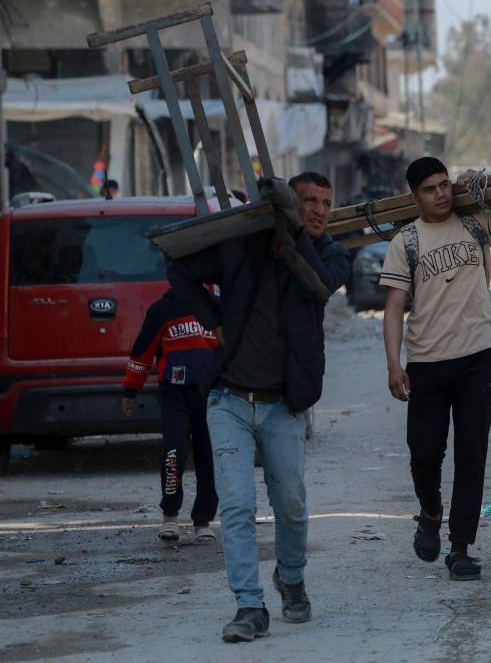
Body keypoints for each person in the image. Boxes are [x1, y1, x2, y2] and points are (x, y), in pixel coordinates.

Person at [167, 172, 350, 643]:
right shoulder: (243, 246)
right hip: (228, 400)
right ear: (289, 202)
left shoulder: (330, 253)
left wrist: (290, 234)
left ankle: (290, 576)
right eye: (307, 200)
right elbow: (180, 268)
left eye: (325, 203)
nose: (317, 210)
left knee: (290, 504)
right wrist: (212, 320)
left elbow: (319, 286)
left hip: (283, 406)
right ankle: (249, 605)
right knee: (237, 506)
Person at [379, 157, 491, 581]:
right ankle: (431, 512)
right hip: (427, 364)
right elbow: (395, 307)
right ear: (415, 196)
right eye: (430, 189)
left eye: (444, 185)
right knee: (424, 454)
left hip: (475, 359)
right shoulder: (408, 242)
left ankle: (460, 547)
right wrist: (394, 364)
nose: (440, 194)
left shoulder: (476, 224)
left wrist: (488, 185)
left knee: (472, 455)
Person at [121, 289, 220, 544]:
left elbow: (231, 348)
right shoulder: (161, 311)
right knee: (174, 452)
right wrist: (131, 390)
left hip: (211, 396)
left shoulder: (216, 307)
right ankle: (170, 516)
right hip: (173, 395)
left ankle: (203, 521)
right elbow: (142, 352)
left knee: (208, 457)